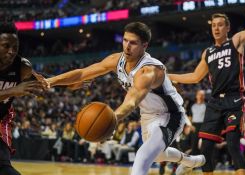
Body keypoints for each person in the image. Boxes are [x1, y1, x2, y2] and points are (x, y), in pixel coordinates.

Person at [41, 22, 205, 175]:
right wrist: (50, 81)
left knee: (143, 155)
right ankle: (192, 161)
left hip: (170, 115)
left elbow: (131, 101)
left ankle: (190, 161)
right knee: (157, 155)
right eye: (125, 40)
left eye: (133, 43)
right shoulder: (116, 60)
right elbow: (82, 73)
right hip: (147, 115)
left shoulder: (149, 71)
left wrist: (111, 121)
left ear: (144, 45)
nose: (127, 46)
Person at [169, 1, 245, 174]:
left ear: (227, 27)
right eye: (213, 25)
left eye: (220, 25)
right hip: (215, 102)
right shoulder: (208, 52)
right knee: (205, 148)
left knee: (232, 144)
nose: (216, 28)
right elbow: (194, 76)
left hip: (234, 98)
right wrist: (168, 76)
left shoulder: (236, 41)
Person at [0, 22, 45, 175]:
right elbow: (14, 90)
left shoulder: (22, 66)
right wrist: (13, 90)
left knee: (3, 166)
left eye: (15, 47)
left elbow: (41, 80)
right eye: (6, 46)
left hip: (0, 119)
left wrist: (69, 85)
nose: (12, 51)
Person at [190, 90, 206, 155]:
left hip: (203, 126)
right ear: (196, 96)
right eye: (199, 94)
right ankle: (194, 163)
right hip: (194, 126)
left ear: (204, 96)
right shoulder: (192, 106)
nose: (201, 96)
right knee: (194, 144)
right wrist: (190, 125)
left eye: (202, 95)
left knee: (203, 145)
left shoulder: (206, 106)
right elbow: (190, 117)